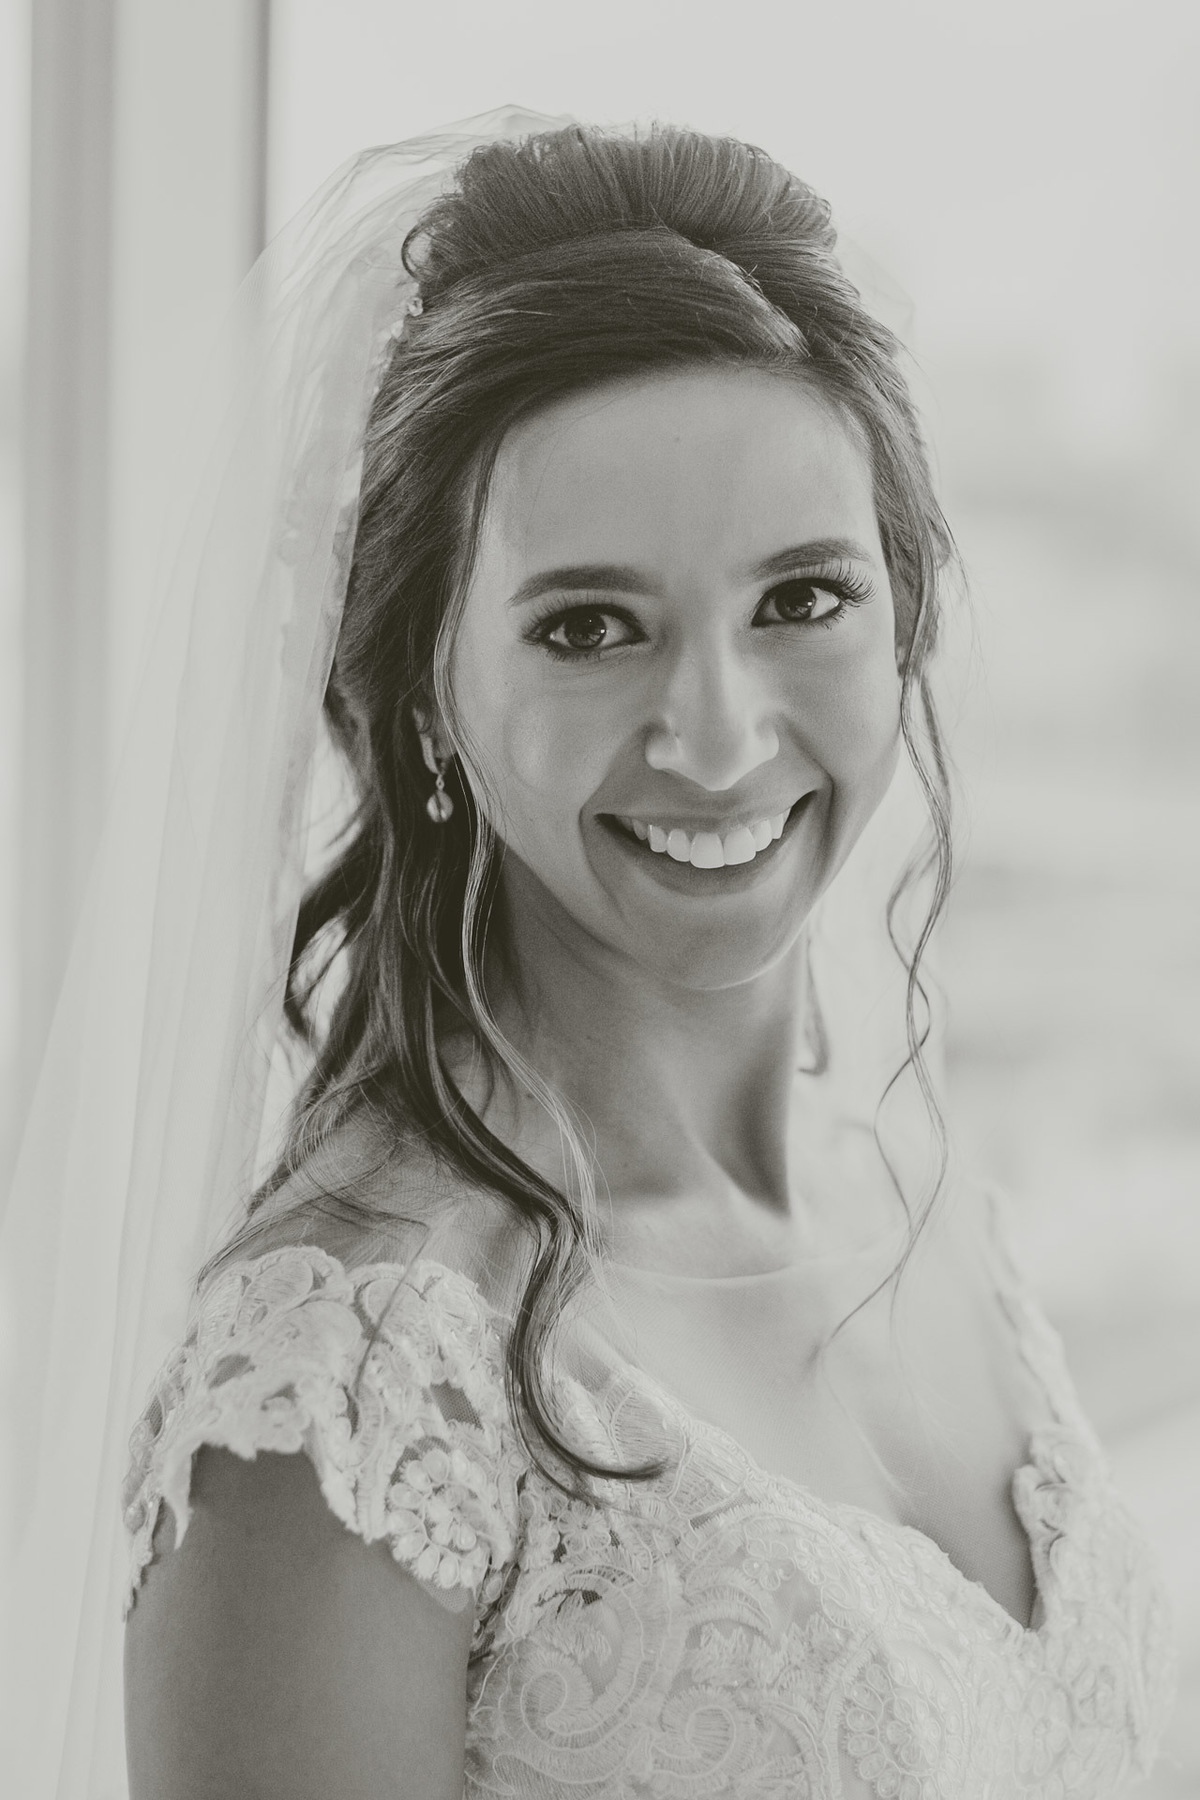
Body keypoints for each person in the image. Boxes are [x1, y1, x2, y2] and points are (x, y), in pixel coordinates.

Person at [37, 112, 1174, 1797]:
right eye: (588, 628)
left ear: (908, 610)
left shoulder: (926, 1192)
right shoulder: (347, 1391)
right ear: (424, 694)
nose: (716, 738)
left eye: (803, 599)